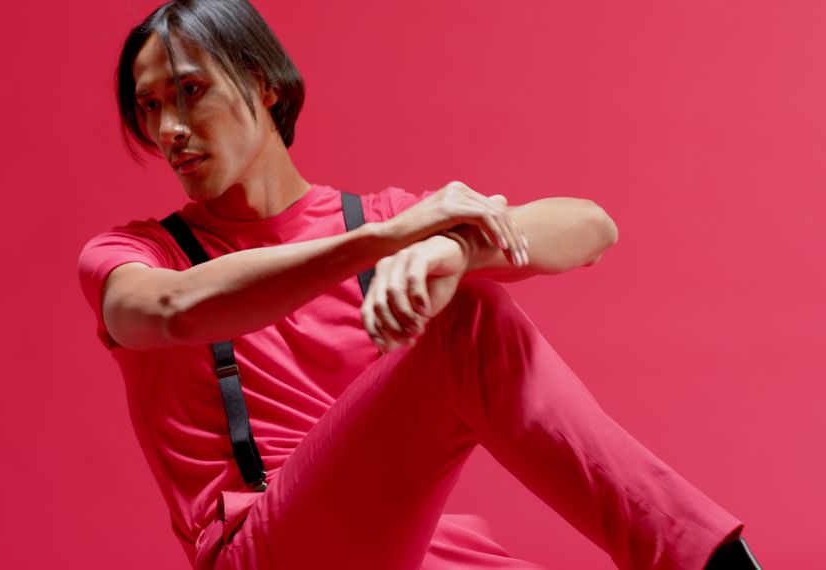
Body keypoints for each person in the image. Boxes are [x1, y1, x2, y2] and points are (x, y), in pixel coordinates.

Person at [77, 1, 762, 568]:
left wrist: (454, 250)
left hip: (424, 553)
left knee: (470, 300)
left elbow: (591, 227)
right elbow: (168, 311)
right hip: (266, 553)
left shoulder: (381, 218)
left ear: (263, 84)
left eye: (190, 92)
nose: (169, 130)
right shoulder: (138, 252)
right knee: (463, 324)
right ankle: (701, 560)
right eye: (150, 107)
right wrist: (389, 241)